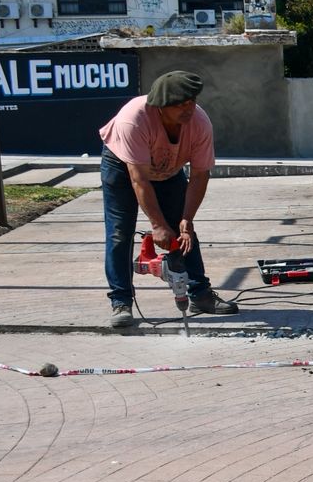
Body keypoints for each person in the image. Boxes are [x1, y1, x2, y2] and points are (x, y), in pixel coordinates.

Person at [99, 70, 239, 329]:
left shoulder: (200, 123)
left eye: (191, 102)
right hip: (123, 166)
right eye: (180, 105)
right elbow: (139, 180)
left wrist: (186, 219)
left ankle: (200, 294)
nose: (188, 109)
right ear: (160, 107)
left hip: (168, 168)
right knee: (120, 232)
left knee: (185, 233)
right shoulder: (133, 120)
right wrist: (157, 225)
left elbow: (200, 175)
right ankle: (121, 301)